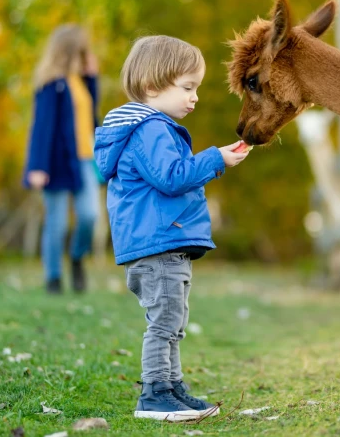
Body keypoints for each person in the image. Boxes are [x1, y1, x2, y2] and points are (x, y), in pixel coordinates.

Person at [93, 35, 249, 421]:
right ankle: (154, 393)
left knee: (172, 321)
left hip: (164, 242)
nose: (194, 97)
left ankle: (172, 387)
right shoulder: (150, 130)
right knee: (164, 322)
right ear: (152, 87)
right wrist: (215, 159)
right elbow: (171, 177)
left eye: (196, 87)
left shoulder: (154, 128)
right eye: (187, 87)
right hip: (157, 244)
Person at [23, 24, 101, 294]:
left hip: (84, 160)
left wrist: (93, 78)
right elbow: (41, 128)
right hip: (55, 162)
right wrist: (37, 166)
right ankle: (53, 279)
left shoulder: (81, 83)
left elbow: (91, 119)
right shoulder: (51, 84)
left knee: (90, 215)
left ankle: (77, 257)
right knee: (55, 223)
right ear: (70, 51)